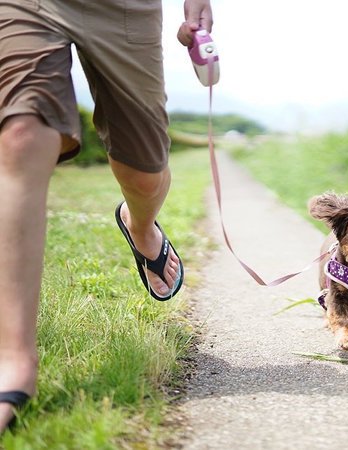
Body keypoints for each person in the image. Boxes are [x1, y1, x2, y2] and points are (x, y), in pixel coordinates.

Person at [0, 0, 213, 433]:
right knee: (21, 134)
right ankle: (14, 359)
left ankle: (140, 223)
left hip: (125, 7)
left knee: (146, 172)